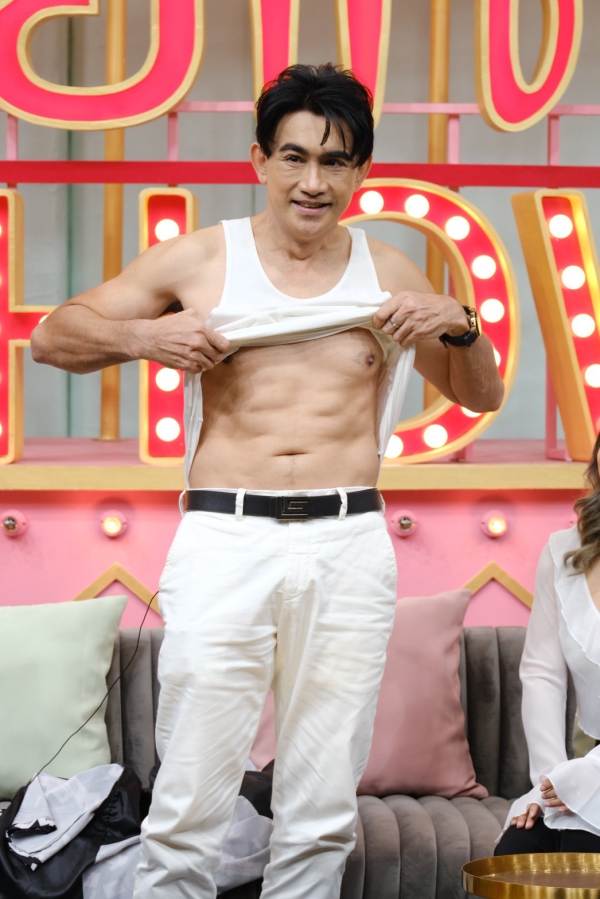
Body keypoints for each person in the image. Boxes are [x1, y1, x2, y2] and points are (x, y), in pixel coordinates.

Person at [31, 64, 503, 899]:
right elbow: (54, 336)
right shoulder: (202, 259)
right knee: (189, 802)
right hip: (227, 536)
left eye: (335, 161)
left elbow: (481, 394)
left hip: (349, 540)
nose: (313, 181)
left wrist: (462, 325)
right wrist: (147, 337)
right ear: (259, 159)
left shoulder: (390, 271)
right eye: (295, 157)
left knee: (322, 810)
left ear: (360, 172)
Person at [496, 432, 600, 856]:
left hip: (593, 769)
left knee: (580, 853)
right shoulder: (564, 550)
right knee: (518, 852)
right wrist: (550, 783)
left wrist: (586, 777)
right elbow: (542, 673)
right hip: (586, 766)